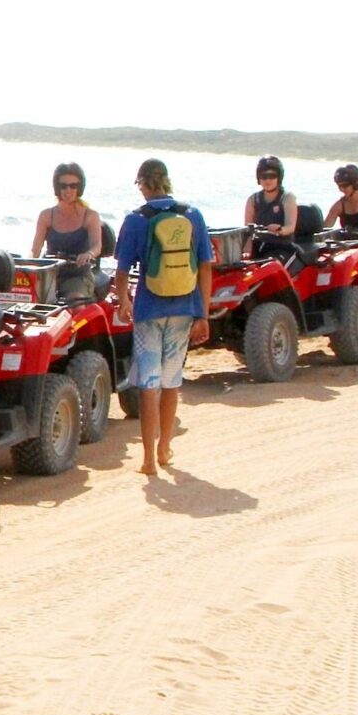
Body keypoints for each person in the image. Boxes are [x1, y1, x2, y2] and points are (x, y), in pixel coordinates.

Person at [112, 160, 214, 479]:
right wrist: (204, 313)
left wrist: (125, 301)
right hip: (184, 310)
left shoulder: (135, 219)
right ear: (166, 182)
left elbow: (122, 270)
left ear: (142, 184)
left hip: (148, 311)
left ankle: (147, 459)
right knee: (172, 381)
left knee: (148, 384)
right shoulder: (192, 215)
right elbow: (205, 267)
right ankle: (165, 447)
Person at [31, 162, 103, 300]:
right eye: (63, 186)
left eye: (73, 186)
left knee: (75, 301)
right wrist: (26, 264)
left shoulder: (90, 216)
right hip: (51, 273)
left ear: (79, 188)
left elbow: (97, 246)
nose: (68, 190)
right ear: (57, 188)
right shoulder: (46, 215)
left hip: (78, 275)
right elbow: (35, 249)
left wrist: (88, 254)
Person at [242, 156, 299, 258]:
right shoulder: (253, 200)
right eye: (263, 176)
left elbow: (290, 227)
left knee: (270, 267)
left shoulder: (287, 197)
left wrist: (280, 230)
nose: (267, 180)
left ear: (279, 177)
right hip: (259, 247)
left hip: (282, 248)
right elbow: (248, 232)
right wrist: (246, 253)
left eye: (272, 176)